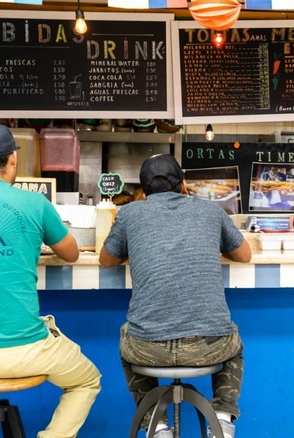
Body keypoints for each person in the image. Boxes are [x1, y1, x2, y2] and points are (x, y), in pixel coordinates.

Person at [0, 124, 101, 438]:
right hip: (25, 350)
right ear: (13, 161)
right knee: (87, 380)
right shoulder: (35, 204)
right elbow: (71, 254)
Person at [99, 154, 251, 438]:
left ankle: (156, 427)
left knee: (126, 337)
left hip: (148, 349)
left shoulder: (130, 213)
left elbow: (106, 260)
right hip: (210, 348)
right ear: (183, 185)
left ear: (143, 192)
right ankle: (222, 418)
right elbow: (244, 255)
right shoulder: (211, 211)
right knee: (233, 343)